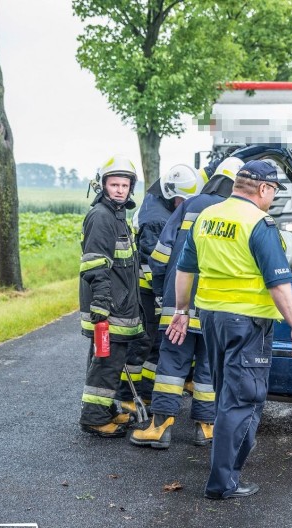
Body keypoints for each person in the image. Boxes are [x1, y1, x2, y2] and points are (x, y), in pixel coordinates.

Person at [166, 159, 292, 499]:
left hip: (212, 320)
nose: (272, 198)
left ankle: (223, 474)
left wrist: (181, 311)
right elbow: (278, 283)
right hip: (249, 326)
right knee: (242, 402)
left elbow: (185, 269)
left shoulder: (207, 217)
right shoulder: (259, 223)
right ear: (262, 189)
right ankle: (223, 483)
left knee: (226, 398)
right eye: (272, 191)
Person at [130, 157, 244, 449]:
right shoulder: (239, 212)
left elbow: (160, 254)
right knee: (207, 366)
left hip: (178, 303)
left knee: (171, 362)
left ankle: (160, 426)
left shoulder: (189, 206)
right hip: (215, 307)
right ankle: (206, 427)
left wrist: (160, 289)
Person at [120, 164, 205, 418]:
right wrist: (160, 294)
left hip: (152, 290)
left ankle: (146, 391)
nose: (185, 205)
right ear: (171, 194)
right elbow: (154, 261)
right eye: (182, 200)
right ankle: (128, 396)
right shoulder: (156, 219)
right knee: (142, 342)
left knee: (156, 344)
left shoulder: (160, 205)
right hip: (146, 290)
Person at [78, 155, 144, 437]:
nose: (119, 189)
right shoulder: (102, 217)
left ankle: (106, 410)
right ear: (102, 185)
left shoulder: (118, 215)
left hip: (119, 306)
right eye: (114, 184)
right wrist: (102, 306)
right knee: (106, 365)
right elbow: (95, 266)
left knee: (111, 363)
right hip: (109, 308)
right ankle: (94, 417)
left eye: (124, 185)